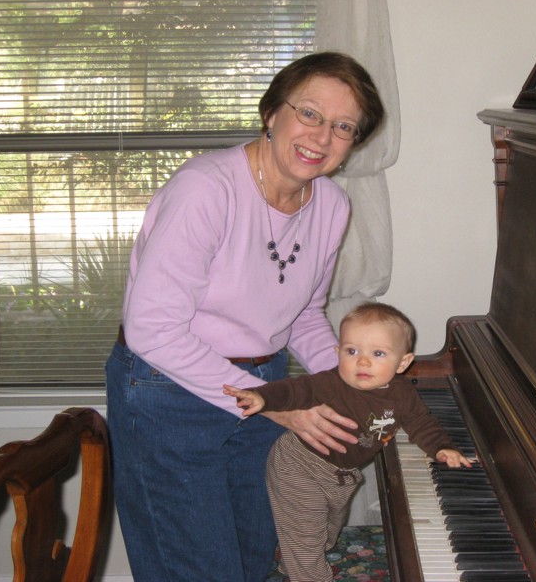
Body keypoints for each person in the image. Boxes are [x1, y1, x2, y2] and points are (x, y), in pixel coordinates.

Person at [104, 51, 385, 582]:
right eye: (309, 114)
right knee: (197, 569)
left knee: (255, 557)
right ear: (272, 112)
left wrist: (352, 382)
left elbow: (303, 315)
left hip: (265, 383)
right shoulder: (206, 189)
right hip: (168, 393)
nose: (321, 138)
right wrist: (278, 408)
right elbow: (152, 328)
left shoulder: (330, 206)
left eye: (343, 127)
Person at [223, 302, 473, 581]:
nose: (362, 362)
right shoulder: (330, 383)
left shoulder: (402, 396)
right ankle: (307, 572)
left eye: (378, 353)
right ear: (337, 353)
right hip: (298, 465)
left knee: (329, 528)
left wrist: (442, 447)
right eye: (352, 351)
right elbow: (294, 390)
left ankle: (295, 559)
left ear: (403, 362)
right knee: (307, 534)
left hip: (340, 474)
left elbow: (421, 423)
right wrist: (263, 397)